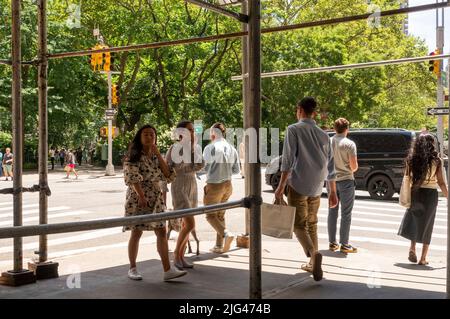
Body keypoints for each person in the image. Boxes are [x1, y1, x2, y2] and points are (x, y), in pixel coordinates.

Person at [275, 97, 338, 282]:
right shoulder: (325, 135)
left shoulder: (293, 129)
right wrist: (332, 191)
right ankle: (313, 261)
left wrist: (280, 187)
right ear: (314, 113)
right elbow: (331, 165)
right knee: (312, 224)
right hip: (317, 186)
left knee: (298, 225)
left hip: (298, 184)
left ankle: (313, 255)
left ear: (299, 110)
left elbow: (288, 160)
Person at [123, 125, 187, 281]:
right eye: (146, 134)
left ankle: (167, 270)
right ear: (139, 137)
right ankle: (132, 268)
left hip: (156, 197)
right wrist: (141, 196)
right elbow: (132, 178)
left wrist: (158, 154)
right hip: (139, 198)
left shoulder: (155, 155)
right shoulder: (134, 155)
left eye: (152, 134)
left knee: (161, 232)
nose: (149, 137)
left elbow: (168, 175)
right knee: (136, 232)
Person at [398, 134, 448, 266]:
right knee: (428, 225)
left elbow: (407, 178)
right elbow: (442, 183)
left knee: (415, 221)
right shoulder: (437, 161)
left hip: (416, 193)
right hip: (430, 195)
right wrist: (448, 196)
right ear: (432, 144)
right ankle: (423, 258)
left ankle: (412, 248)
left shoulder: (411, 159)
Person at [166, 120, 205, 269]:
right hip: (179, 185)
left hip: (192, 184)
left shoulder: (195, 148)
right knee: (190, 224)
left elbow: (200, 166)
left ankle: (181, 256)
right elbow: (167, 168)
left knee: (185, 224)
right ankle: (176, 255)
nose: (192, 133)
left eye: (193, 130)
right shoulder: (174, 148)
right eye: (189, 130)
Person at [203, 122, 240, 254]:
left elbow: (204, 167)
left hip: (214, 185)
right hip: (228, 185)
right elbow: (236, 170)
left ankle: (226, 234)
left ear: (213, 133)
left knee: (210, 216)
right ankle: (219, 246)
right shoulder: (232, 148)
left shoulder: (210, 148)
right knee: (220, 215)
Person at [327, 118, 358, 254]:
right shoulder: (350, 144)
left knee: (332, 211)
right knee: (346, 214)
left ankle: (332, 243)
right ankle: (344, 244)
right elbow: (353, 166)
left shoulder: (328, 142)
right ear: (347, 129)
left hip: (331, 181)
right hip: (346, 181)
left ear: (334, 129)